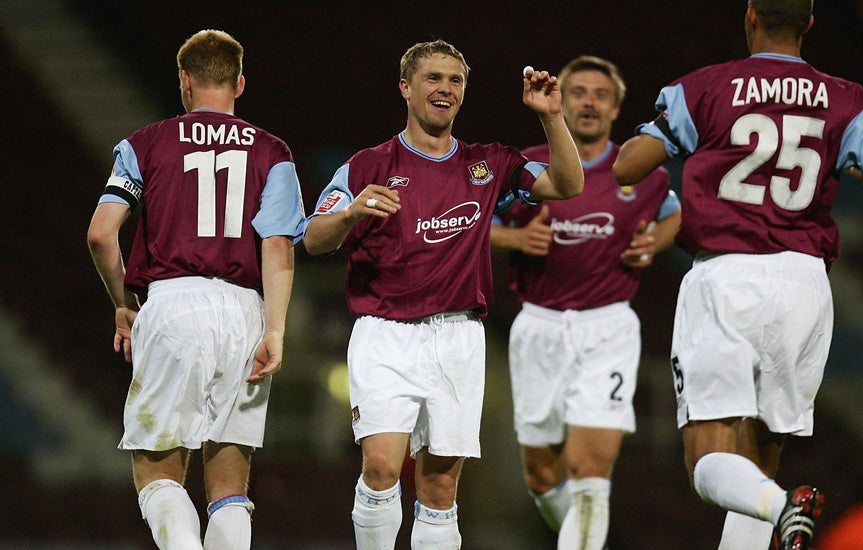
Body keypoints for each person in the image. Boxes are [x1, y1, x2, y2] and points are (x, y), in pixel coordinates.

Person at [612, 1, 863, 549]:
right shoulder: (849, 100)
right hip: (804, 286)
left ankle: (785, 504)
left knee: (710, 464)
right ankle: (776, 503)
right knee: (756, 464)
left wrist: (676, 137)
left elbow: (629, 165)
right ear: (809, 24)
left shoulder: (706, 87)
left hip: (727, 277)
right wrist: (839, 161)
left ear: (750, 16)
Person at [301, 39, 584, 549]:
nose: (445, 89)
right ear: (406, 88)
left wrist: (551, 118)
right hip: (384, 332)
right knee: (384, 465)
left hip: (458, 338)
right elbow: (314, 238)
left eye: (455, 81)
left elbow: (566, 185)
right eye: (433, 78)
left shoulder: (489, 163)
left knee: (440, 485)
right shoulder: (367, 166)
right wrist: (349, 212)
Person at [87, 29, 306, 550]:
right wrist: (275, 328)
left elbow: (100, 233)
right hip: (244, 311)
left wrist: (123, 304)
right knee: (229, 489)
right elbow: (278, 246)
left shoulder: (144, 143)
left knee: (158, 473)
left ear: (184, 82)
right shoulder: (273, 152)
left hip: (172, 304)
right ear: (240, 83)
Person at [489, 55, 680, 550]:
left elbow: (675, 214)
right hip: (538, 325)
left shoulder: (641, 172)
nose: (589, 102)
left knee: (590, 468)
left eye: (601, 94)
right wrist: (512, 242)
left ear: (617, 108)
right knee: (541, 475)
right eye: (578, 92)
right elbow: (468, 222)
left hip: (608, 326)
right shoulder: (527, 165)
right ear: (562, 101)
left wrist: (652, 243)